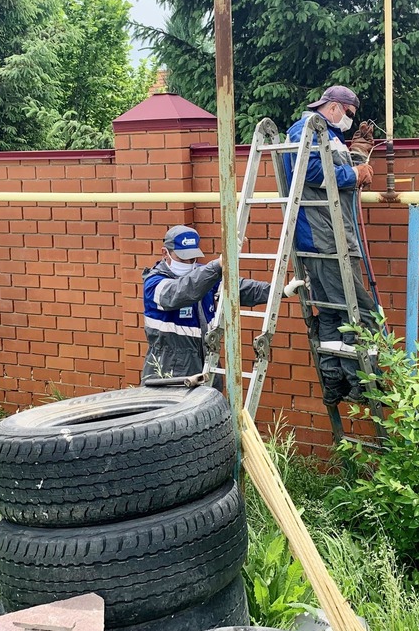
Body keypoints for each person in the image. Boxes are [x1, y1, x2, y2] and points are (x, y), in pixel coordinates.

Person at [284, 85, 379, 406]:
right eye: (350, 114)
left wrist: (355, 156)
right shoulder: (306, 129)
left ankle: (333, 384)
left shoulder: (327, 134)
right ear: (335, 107)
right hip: (325, 239)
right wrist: (354, 173)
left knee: (329, 314)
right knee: (362, 313)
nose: (351, 120)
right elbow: (310, 171)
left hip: (331, 236)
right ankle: (362, 386)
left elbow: (329, 167)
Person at [142, 225, 304, 385]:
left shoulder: (203, 275)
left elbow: (240, 289)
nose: (190, 262)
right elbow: (181, 292)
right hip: (168, 372)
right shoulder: (154, 283)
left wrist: (282, 291)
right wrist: (219, 264)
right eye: (183, 258)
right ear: (165, 253)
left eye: (193, 258)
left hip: (205, 363)